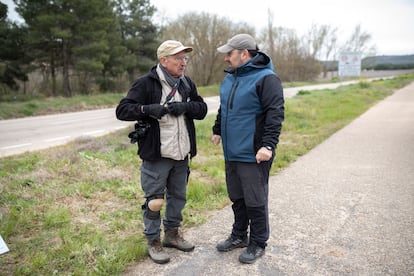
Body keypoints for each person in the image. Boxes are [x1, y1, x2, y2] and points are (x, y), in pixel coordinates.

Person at [116, 40, 207, 264]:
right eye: (178, 58)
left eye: (185, 58)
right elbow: (122, 110)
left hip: (181, 153)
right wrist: (146, 109)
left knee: (178, 197)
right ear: (163, 60)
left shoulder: (186, 83)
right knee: (155, 201)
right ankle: (153, 241)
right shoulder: (146, 84)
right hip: (157, 155)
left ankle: (172, 235)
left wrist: (186, 107)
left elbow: (202, 109)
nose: (183, 63)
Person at [212, 34, 284, 264]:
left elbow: (275, 114)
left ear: (244, 54)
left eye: (229, 53)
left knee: (255, 199)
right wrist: (217, 129)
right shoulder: (230, 79)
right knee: (237, 197)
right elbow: (225, 108)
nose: (225, 58)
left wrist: (268, 145)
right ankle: (239, 235)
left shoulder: (266, 79)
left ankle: (258, 242)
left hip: (254, 152)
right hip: (231, 151)